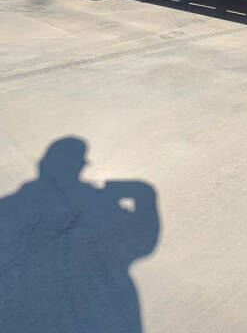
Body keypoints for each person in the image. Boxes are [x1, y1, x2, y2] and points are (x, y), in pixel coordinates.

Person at [0, 137, 159, 333]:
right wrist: (146, 196)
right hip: (95, 313)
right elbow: (142, 243)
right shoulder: (99, 206)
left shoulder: (7, 208)